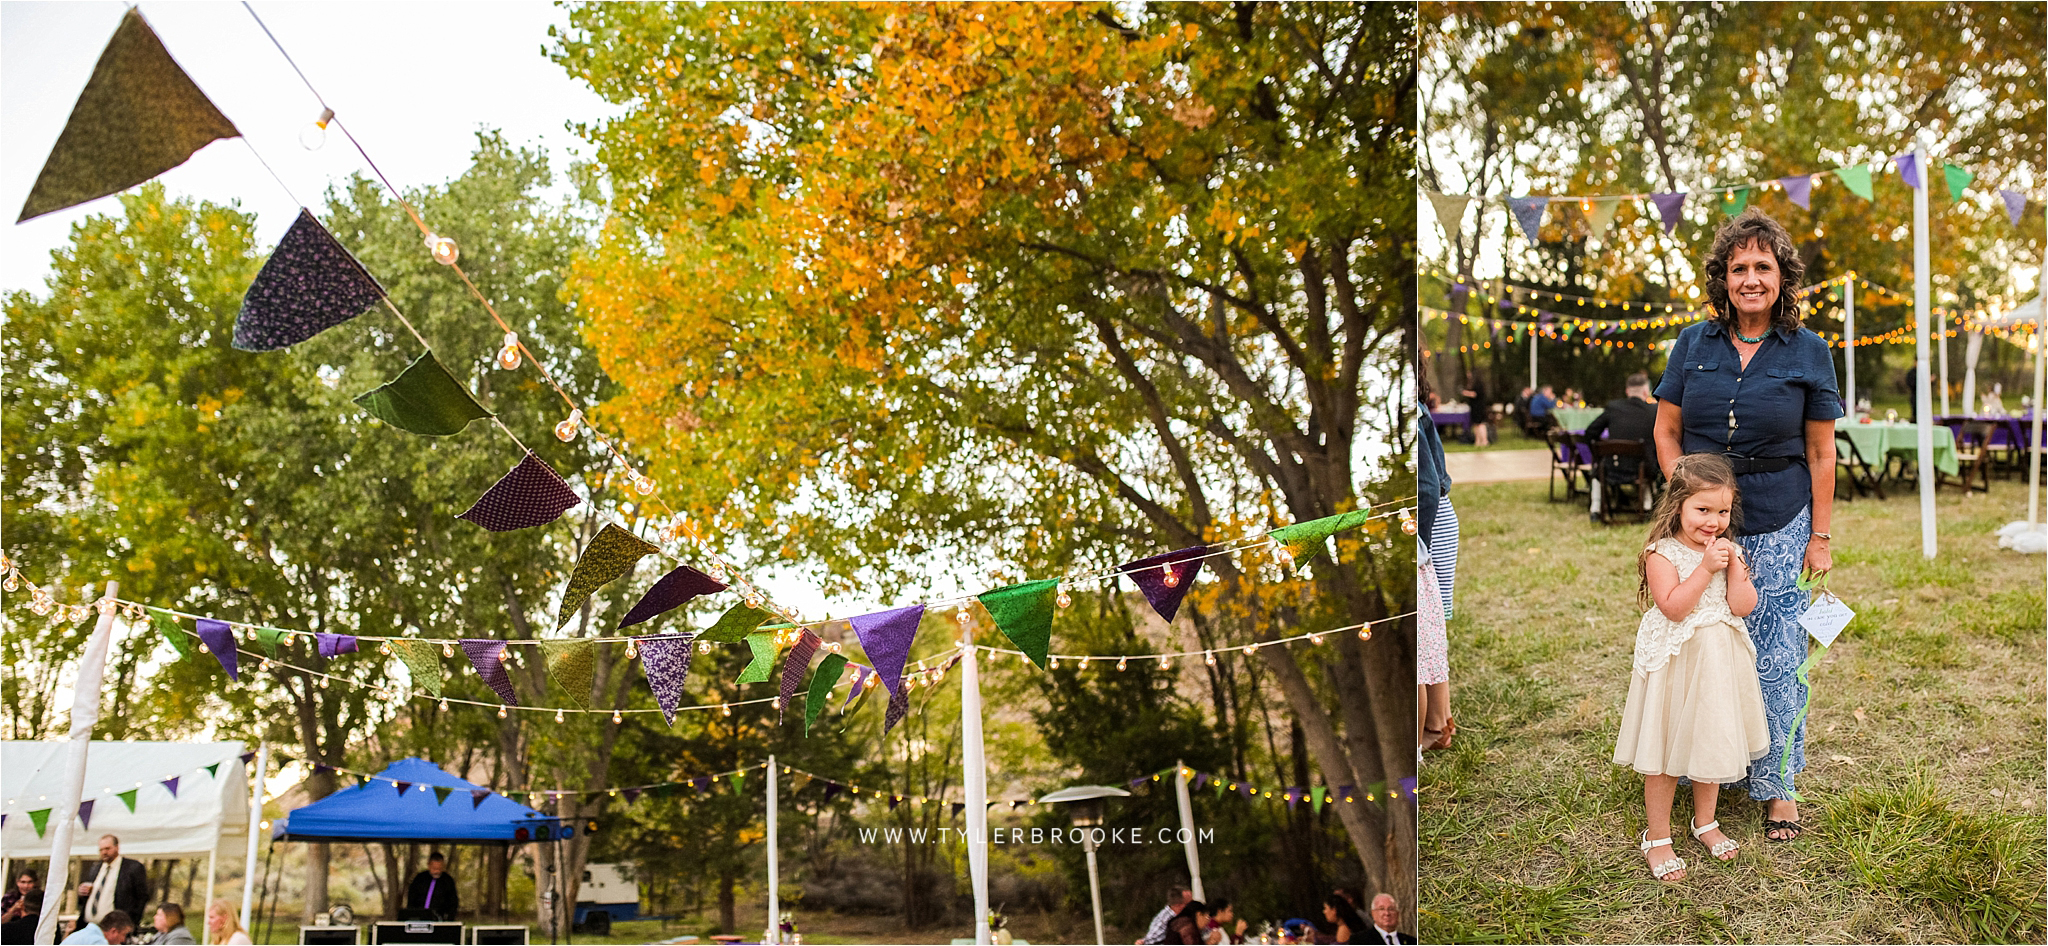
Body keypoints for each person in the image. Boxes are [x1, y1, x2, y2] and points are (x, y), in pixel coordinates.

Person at [1653, 208, 1840, 843]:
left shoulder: (1811, 352)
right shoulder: (1692, 344)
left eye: (1763, 267)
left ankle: (1778, 783)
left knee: (1777, 653)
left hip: (1780, 516)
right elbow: (1667, 429)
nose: (1751, 279)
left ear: (1782, 278)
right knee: (1701, 645)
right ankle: (1705, 767)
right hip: (1701, 526)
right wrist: (1687, 507)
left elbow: (1821, 453)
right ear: (1723, 279)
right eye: (1739, 268)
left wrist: (1819, 535)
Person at [1612, 455, 1771, 881]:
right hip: (1677, 664)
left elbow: (1742, 606)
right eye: (1703, 510)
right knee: (1664, 752)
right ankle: (1658, 836)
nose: (1713, 521)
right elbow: (1676, 607)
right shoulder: (1661, 554)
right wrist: (1704, 568)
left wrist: (1737, 567)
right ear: (1677, 506)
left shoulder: (1729, 551)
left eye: (1722, 511)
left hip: (1719, 663)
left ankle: (1706, 822)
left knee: (1712, 738)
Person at [1417, 364, 1454, 751]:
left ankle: (1435, 727)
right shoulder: (1419, 408)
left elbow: (1428, 488)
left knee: (1430, 633)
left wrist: (1420, 544)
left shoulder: (1415, 411)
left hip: (1432, 526)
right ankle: (1439, 724)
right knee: (1431, 632)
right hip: (1436, 521)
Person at [1585, 372, 1661, 521]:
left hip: (1613, 466)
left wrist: (1599, 453)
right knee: (1649, 463)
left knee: (1598, 470)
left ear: (1627, 391)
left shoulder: (1613, 408)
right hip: (1644, 469)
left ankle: (1595, 509)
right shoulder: (1654, 411)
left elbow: (1590, 432)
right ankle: (1646, 506)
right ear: (1646, 392)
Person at [78, 835, 150, 924]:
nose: (104, 852)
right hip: (90, 924)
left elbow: (142, 897)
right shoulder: (96, 868)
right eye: (101, 850)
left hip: (115, 927)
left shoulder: (132, 867)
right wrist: (83, 892)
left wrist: (132, 923)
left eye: (107, 849)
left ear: (117, 847)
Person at [404, 852, 460, 920]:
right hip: (419, 917)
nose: (436, 871)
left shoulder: (448, 881)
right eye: (434, 868)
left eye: (439, 869)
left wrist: (449, 920)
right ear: (429, 865)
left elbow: (453, 903)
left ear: (443, 866)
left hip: (439, 918)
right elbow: (411, 898)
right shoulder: (419, 879)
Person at [60, 910, 135, 945]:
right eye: (124, 934)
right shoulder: (98, 941)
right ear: (113, 931)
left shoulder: (82, 934)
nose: (123, 940)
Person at [1460, 372, 1491, 445]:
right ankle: (1477, 441)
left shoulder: (1479, 384)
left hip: (1479, 406)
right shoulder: (1473, 384)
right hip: (1474, 406)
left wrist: (1465, 393)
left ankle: (1484, 440)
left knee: (1480, 423)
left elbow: (1475, 394)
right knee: (1475, 424)